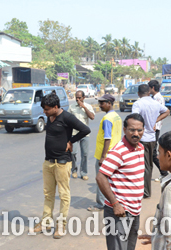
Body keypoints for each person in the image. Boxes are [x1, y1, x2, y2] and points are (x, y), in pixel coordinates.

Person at [96, 113, 145, 250]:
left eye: (139, 130)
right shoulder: (118, 151)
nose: (136, 133)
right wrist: (115, 203)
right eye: (132, 130)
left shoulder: (140, 148)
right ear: (124, 130)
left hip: (134, 211)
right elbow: (101, 176)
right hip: (118, 213)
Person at [33, 91, 90, 239]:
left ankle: (61, 225)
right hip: (48, 162)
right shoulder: (50, 117)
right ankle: (45, 222)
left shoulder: (67, 117)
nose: (44, 112)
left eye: (46, 109)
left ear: (55, 107)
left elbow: (85, 129)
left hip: (62, 163)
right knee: (48, 194)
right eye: (44, 109)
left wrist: (71, 141)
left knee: (64, 195)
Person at [131, 84, 170, 198]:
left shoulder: (138, 104)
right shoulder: (155, 103)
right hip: (152, 138)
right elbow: (167, 111)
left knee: (139, 165)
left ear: (138, 93)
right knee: (148, 166)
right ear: (149, 92)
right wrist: (155, 121)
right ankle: (145, 190)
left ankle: (144, 191)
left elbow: (134, 119)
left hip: (141, 138)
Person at [87, 93, 122, 212]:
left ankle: (101, 203)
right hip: (115, 153)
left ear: (109, 104)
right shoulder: (116, 116)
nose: (100, 105)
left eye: (102, 103)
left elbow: (107, 138)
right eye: (99, 103)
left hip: (106, 155)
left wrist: (102, 157)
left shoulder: (107, 119)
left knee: (101, 179)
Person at [69, 90, 95, 180]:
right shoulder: (71, 107)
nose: (77, 99)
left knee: (85, 154)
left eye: (79, 98)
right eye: (76, 97)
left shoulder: (88, 106)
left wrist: (84, 107)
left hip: (84, 134)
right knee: (72, 153)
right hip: (74, 134)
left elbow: (92, 117)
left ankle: (84, 172)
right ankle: (74, 170)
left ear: (83, 98)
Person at [148, 80, 170, 182]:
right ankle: (164, 173)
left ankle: (164, 173)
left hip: (154, 128)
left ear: (152, 88)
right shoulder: (155, 98)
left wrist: (154, 122)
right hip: (155, 127)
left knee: (152, 153)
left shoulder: (157, 99)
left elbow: (161, 112)